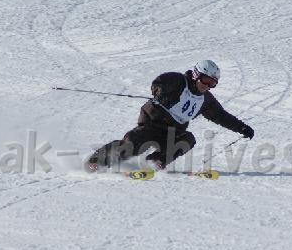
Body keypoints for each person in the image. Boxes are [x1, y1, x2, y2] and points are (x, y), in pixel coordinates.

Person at [86, 59, 254, 171]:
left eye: (212, 83)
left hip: (173, 132)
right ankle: (96, 161)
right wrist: (160, 94)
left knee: (188, 139)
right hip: (152, 124)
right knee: (132, 146)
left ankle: (154, 162)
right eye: (206, 80)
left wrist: (242, 128)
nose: (207, 86)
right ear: (196, 74)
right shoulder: (179, 80)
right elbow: (158, 83)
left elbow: (221, 116)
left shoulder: (205, 100)